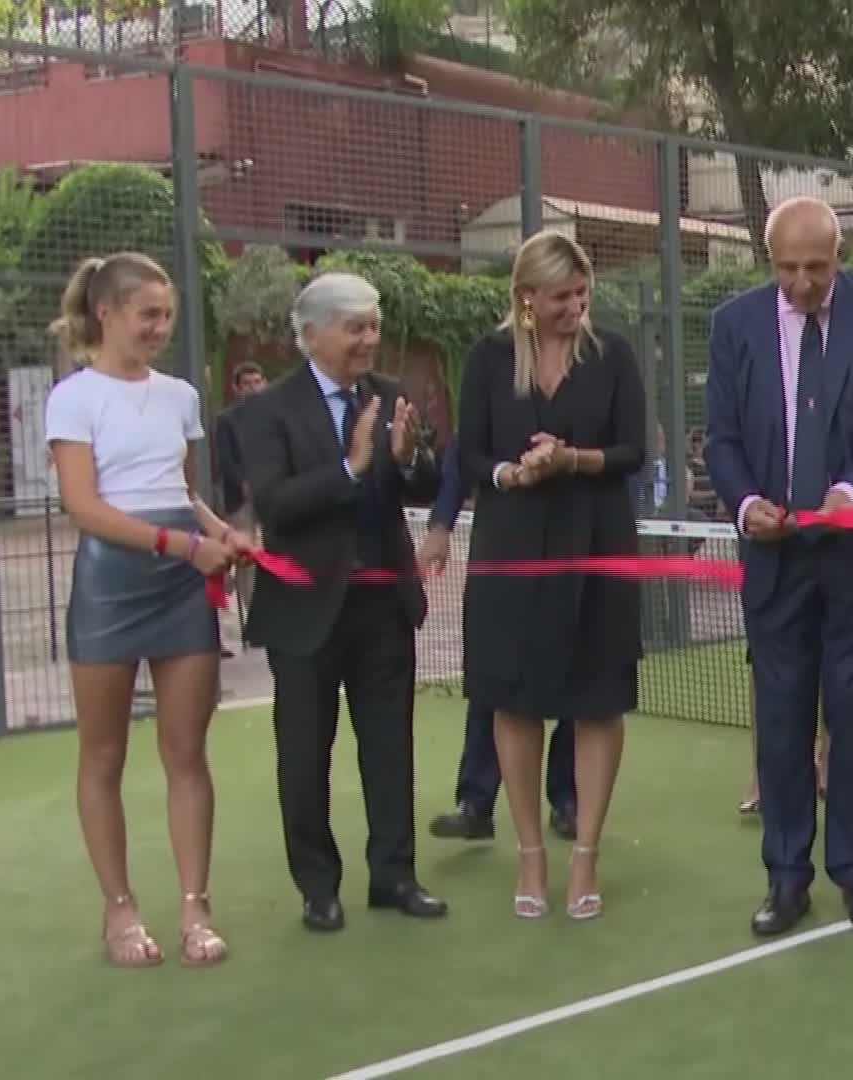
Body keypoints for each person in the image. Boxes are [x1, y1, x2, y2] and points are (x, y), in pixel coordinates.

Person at [704, 195, 853, 937]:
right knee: (782, 717)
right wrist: (744, 505)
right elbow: (723, 438)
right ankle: (786, 876)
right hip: (774, 557)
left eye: (817, 268)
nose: (802, 284)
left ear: (840, 257)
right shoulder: (734, 324)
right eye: (789, 269)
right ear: (770, 263)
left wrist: (848, 491)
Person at [45, 252, 250, 967]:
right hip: (112, 578)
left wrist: (218, 531)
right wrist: (180, 545)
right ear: (107, 314)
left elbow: (179, 486)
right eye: (149, 315)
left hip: (181, 579)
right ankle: (120, 909)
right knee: (103, 754)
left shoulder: (179, 395)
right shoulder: (73, 397)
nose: (162, 327)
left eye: (168, 315)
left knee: (186, 751)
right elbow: (84, 506)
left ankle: (196, 908)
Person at [240, 271, 447, 933]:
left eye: (373, 326)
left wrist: (412, 459)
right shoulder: (265, 412)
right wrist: (351, 469)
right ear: (313, 335)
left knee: (390, 750)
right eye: (355, 327)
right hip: (304, 615)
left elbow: (425, 488)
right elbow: (273, 505)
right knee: (305, 757)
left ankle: (394, 875)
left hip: (384, 608)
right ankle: (318, 887)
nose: (369, 339)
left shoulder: (391, 397)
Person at [458, 229, 644, 921]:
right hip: (511, 546)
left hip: (596, 541)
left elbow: (633, 451)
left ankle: (585, 854)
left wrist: (573, 461)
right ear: (526, 297)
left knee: (597, 699)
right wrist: (512, 472)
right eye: (562, 296)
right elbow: (471, 452)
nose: (576, 305)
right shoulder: (488, 358)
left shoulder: (612, 356)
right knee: (514, 698)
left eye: (582, 293)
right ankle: (530, 856)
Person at [420, 432, 578, 845]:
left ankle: (568, 800)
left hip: (571, 544)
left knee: (573, 676)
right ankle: (475, 804)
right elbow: (462, 457)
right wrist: (440, 526)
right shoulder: (490, 382)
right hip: (502, 551)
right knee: (490, 676)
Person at [213, 360, 267, 650]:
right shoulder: (227, 419)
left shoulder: (274, 414)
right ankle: (252, 621)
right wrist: (245, 484)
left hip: (272, 494)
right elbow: (225, 461)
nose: (253, 388)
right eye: (246, 383)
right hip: (242, 499)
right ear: (236, 388)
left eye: (257, 382)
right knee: (247, 558)